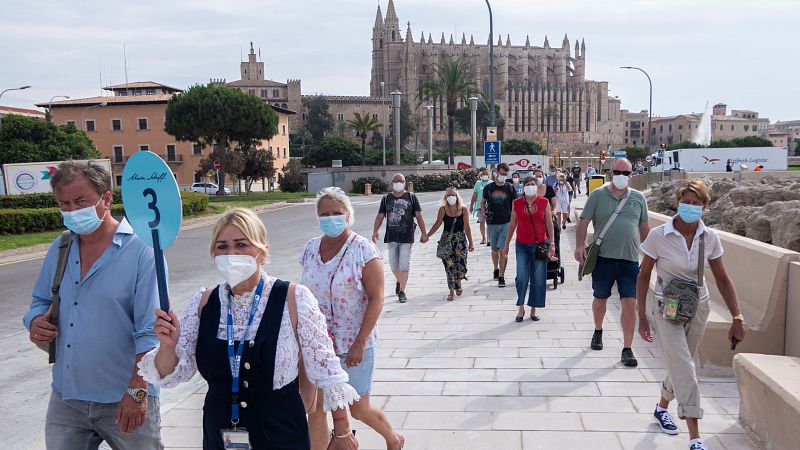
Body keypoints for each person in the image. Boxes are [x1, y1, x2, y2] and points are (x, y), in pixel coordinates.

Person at [139, 208, 360, 450]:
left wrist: (342, 430)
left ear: (261, 250)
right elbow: (171, 373)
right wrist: (167, 347)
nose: (231, 254)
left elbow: (327, 370)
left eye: (241, 244)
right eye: (222, 247)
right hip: (220, 431)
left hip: (280, 431)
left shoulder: (293, 299)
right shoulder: (204, 303)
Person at [24, 161, 163, 449]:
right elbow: (39, 301)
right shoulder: (60, 248)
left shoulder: (142, 251)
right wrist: (35, 320)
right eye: (65, 204)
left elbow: (149, 333)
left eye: (80, 201)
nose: (73, 211)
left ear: (107, 198)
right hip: (68, 399)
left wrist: (137, 394)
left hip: (125, 397)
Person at [637, 180, 745, 450]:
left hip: (699, 306)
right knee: (686, 367)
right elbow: (643, 275)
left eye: (697, 204)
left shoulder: (710, 238)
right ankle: (695, 437)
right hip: (667, 308)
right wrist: (642, 315)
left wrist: (737, 316)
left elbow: (722, 278)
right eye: (686, 202)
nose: (690, 207)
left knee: (679, 363)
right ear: (677, 202)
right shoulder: (659, 235)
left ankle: (662, 407)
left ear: (705, 207)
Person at [302, 188, 404, 450]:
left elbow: (377, 298)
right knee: (316, 408)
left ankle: (393, 439)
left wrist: (359, 342)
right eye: (324, 214)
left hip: (354, 343)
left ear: (348, 215)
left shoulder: (363, 249)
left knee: (358, 408)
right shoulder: (311, 249)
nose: (331, 218)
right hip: (319, 345)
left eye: (337, 213)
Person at [574, 157, 650, 367]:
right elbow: (583, 221)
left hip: (630, 260)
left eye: (626, 173)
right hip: (603, 259)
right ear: (610, 173)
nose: (622, 177)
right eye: (618, 172)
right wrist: (580, 245)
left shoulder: (638, 198)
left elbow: (644, 228)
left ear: (631, 175)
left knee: (629, 302)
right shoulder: (598, 195)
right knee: (600, 298)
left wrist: (651, 255)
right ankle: (598, 330)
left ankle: (627, 348)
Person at [503, 177, 556, 322]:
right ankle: (521, 306)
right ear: (523, 187)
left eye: (533, 184)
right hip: (522, 245)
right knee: (521, 276)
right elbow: (512, 225)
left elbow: (549, 224)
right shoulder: (517, 203)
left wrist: (552, 243)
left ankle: (533, 308)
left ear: (537, 187)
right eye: (528, 185)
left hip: (540, 244)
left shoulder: (544, 202)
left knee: (538, 278)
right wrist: (506, 244)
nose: (531, 187)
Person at [372, 173, 429, 303]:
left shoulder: (411, 197)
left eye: (401, 180)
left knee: (404, 265)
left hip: (406, 237)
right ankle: (399, 280)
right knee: (393, 265)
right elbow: (380, 216)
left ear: (405, 183)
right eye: (396, 180)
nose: (398, 182)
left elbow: (419, 216)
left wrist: (424, 233)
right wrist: (375, 231)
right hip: (391, 236)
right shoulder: (386, 198)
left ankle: (402, 291)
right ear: (391, 183)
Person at [427, 187, 475, 301]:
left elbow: (467, 226)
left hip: (460, 241)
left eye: (453, 195)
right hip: (446, 242)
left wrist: (471, 242)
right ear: (446, 198)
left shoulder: (463, 210)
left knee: (461, 265)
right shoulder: (443, 210)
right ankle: (451, 290)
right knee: (449, 266)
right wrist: (427, 236)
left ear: (457, 197)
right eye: (448, 196)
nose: (451, 197)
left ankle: (458, 282)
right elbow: (437, 224)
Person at [481, 162, 517, 288]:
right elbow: (483, 201)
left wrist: (514, 219)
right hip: (492, 223)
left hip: (506, 222)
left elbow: (515, 205)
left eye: (506, 175)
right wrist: (484, 212)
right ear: (497, 172)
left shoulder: (510, 188)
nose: (503, 176)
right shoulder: (489, 188)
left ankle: (502, 275)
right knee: (494, 250)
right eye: (502, 174)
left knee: (503, 250)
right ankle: (496, 268)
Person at [469, 168, 492, 245]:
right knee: (481, 222)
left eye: (486, 174)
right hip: (479, 206)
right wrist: (471, 205)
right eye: (483, 174)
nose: (485, 176)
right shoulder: (478, 183)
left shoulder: (491, 183)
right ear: (480, 176)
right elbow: (475, 194)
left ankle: (489, 239)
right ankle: (483, 238)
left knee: (489, 223)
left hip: (489, 206)